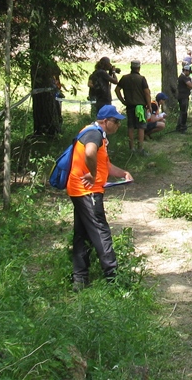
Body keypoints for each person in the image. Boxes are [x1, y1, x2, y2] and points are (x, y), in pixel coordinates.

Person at [66, 104, 133, 289]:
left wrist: (123, 173)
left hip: (81, 190)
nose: (118, 126)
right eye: (115, 122)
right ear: (105, 121)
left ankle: (79, 279)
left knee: (82, 234)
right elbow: (89, 154)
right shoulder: (94, 133)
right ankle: (114, 278)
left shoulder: (99, 136)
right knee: (100, 232)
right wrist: (93, 175)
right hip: (87, 191)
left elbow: (106, 166)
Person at [116, 60, 152, 155]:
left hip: (129, 106)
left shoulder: (124, 78)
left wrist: (123, 101)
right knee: (141, 127)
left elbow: (117, 90)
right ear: (139, 68)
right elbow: (146, 93)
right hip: (140, 107)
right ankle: (140, 148)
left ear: (131, 67)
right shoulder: (141, 79)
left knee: (130, 127)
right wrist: (149, 105)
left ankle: (131, 148)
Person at [176, 65, 192, 132]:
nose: (189, 73)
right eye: (189, 72)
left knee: (182, 112)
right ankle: (182, 126)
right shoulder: (183, 77)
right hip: (183, 97)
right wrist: (189, 84)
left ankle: (179, 126)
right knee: (184, 112)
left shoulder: (184, 77)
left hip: (184, 96)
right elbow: (190, 85)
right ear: (185, 70)